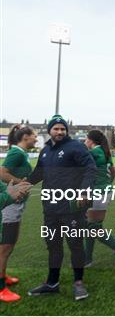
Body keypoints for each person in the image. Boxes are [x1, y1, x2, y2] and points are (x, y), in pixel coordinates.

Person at [26, 115, 96, 300]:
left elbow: (90, 167)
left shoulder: (76, 146)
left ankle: (78, 283)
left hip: (71, 207)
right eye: (56, 129)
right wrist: (22, 184)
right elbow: (38, 173)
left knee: (75, 245)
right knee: (53, 245)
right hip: (50, 208)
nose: (59, 132)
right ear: (50, 130)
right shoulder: (46, 150)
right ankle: (52, 283)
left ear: (66, 131)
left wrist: (84, 191)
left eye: (62, 129)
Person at [83, 130, 115, 272]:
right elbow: (112, 172)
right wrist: (106, 186)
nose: (84, 142)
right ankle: (87, 259)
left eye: (85, 139)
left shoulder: (94, 152)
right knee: (91, 226)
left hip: (97, 193)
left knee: (94, 228)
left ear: (91, 140)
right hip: (104, 191)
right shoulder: (104, 152)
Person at [0, 125, 35, 302]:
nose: (36, 139)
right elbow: (2, 172)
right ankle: (0, 288)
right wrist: (20, 183)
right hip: (10, 205)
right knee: (5, 247)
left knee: (9, 244)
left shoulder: (20, 153)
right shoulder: (17, 153)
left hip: (15, 204)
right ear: (25, 137)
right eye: (34, 136)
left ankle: (3, 277)